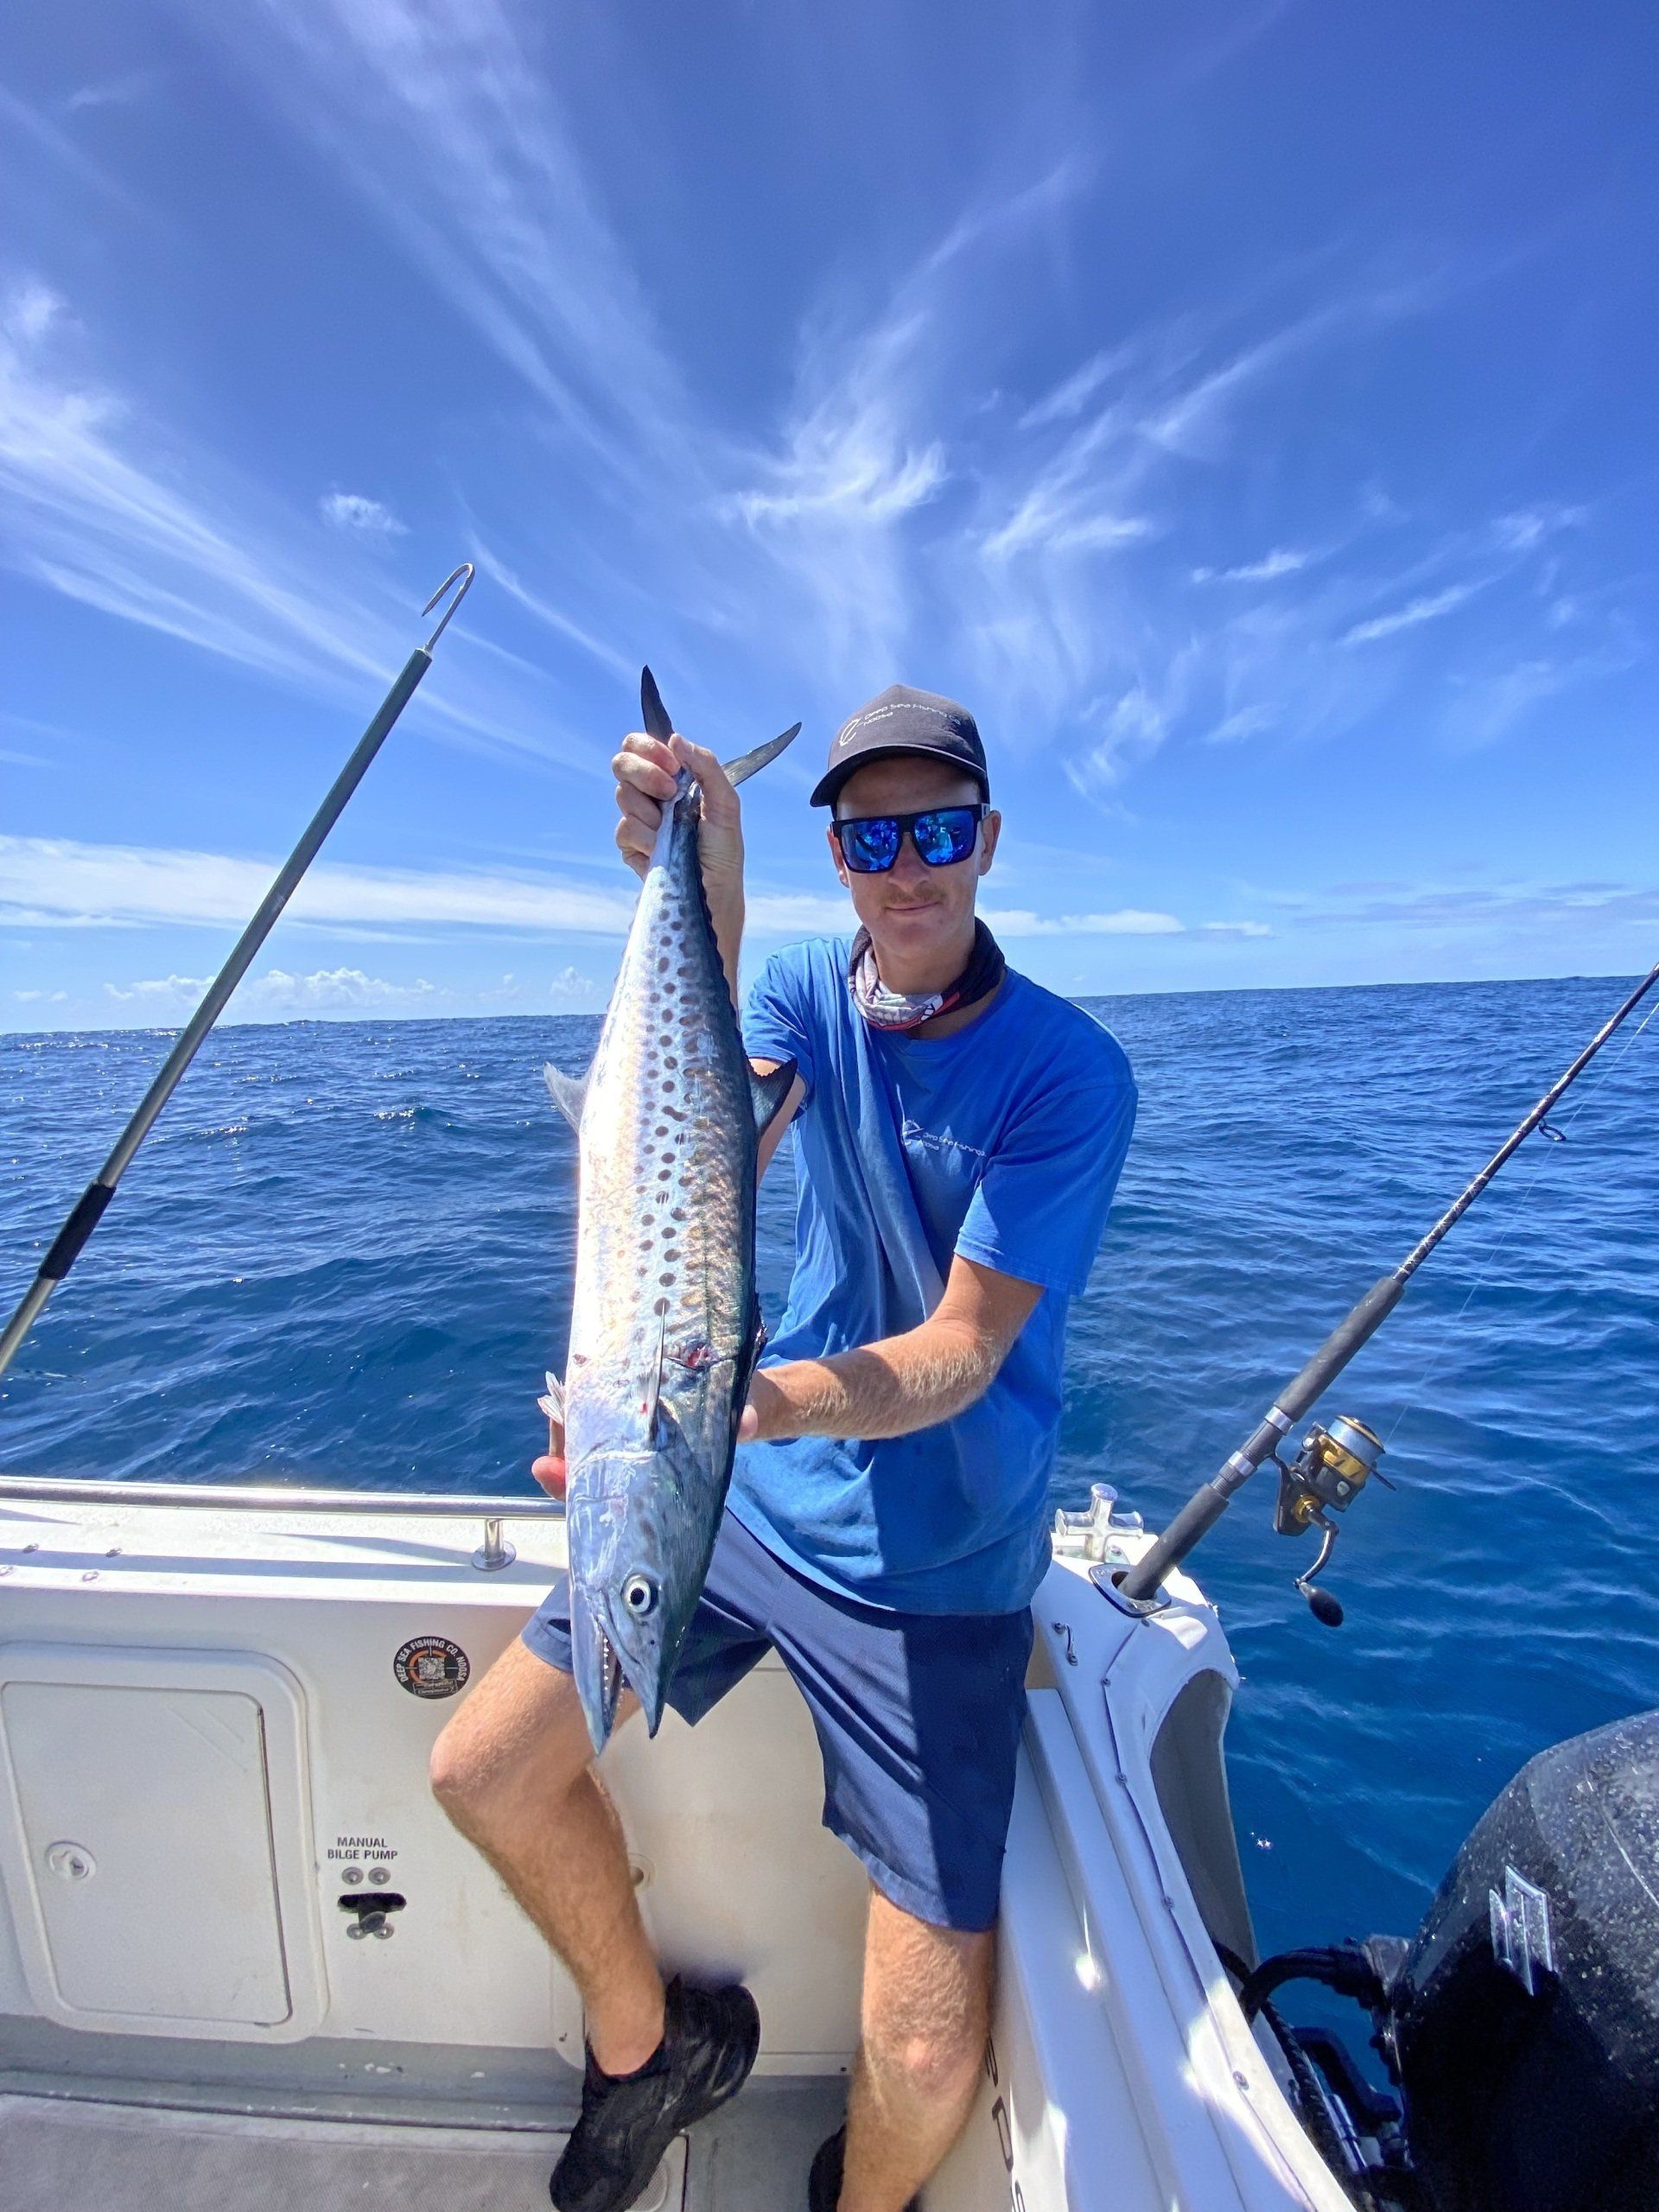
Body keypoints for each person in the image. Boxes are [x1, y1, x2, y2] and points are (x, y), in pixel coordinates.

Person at [430, 684, 1137, 2212]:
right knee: (484, 1769)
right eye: (871, 832)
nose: (906, 865)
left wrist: (755, 1399)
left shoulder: (1067, 1075)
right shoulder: (813, 989)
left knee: (927, 2049)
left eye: (936, 829)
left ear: (987, 841)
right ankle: (651, 2053)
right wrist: (693, 862)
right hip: (730, 1494)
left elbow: (961, 1353)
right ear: (839, 854)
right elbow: (709, 1138)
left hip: (936, 1561)